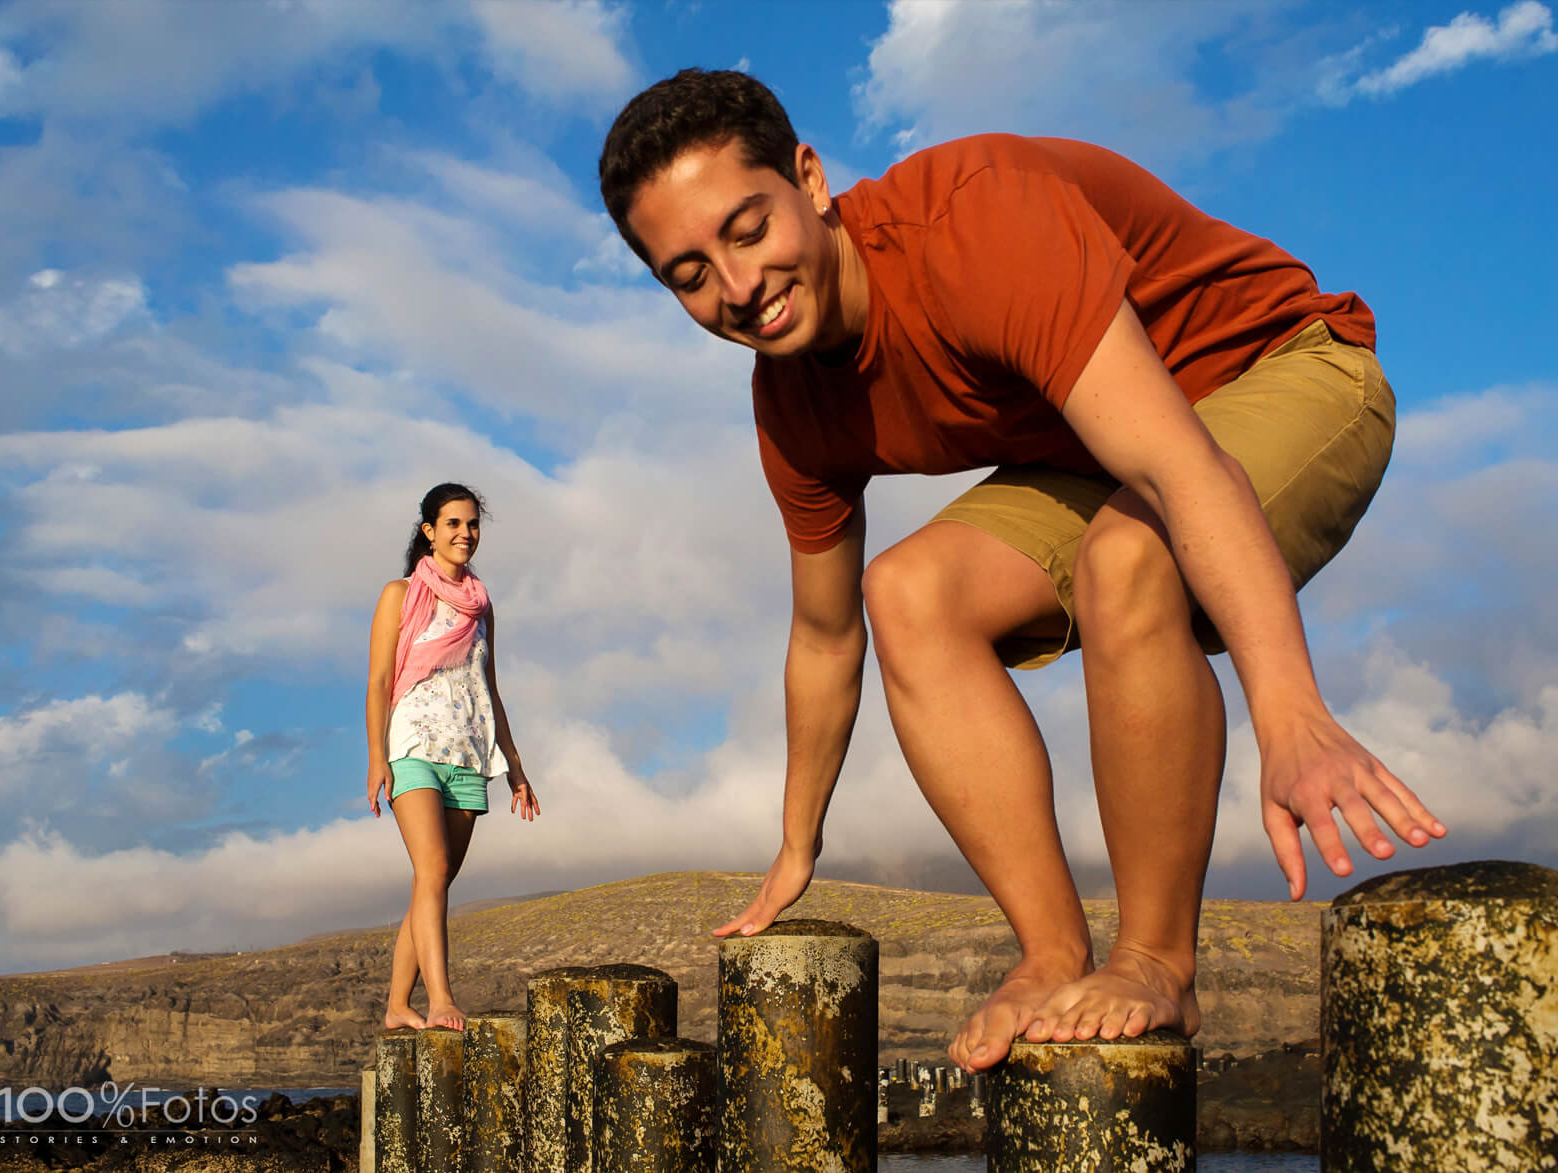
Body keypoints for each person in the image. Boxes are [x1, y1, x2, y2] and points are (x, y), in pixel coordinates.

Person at [599, 69, 1446, 1072]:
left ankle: (1156, 962)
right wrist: (796, 843)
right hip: (1101, 452)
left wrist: (1290, 714)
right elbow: (824, 635)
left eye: (748, 231)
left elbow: (1177, 468)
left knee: (1127, 555)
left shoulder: (972, 222)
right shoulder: (793, 406)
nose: (739, 288)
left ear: (809, 180)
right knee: (907, 593)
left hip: (1286, 369)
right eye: (691, 274)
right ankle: (1049, 955)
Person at [365, 483, 539, 1031]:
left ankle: (397, 1005)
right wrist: (376, 758)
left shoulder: (482, 607)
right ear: (429, 531)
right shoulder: (399, 594)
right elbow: (379, 682)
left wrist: (514, 766)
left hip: (468, 753)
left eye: (472, 524)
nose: (465, 533)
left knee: (432, 883)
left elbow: (491, 689)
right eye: (453, 524)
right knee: (433, 869)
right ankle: (440, 999)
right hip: (413, 747)